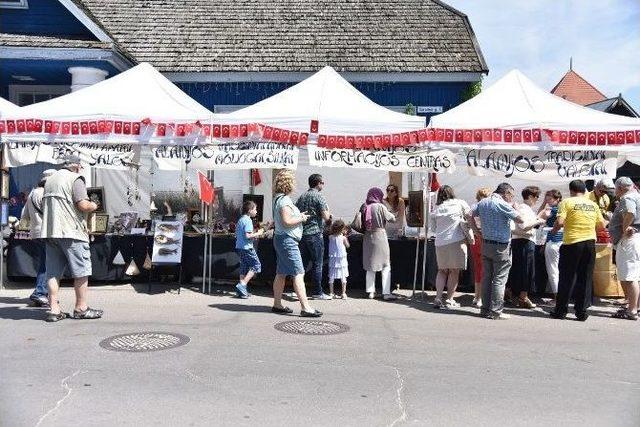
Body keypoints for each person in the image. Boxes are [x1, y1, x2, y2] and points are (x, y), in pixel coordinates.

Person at [41, 155, 102, 322]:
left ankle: (54, 309)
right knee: (81, 271)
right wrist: (94, 205)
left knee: (53, 273)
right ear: (76, 166)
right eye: (80, 167)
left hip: (51, 232)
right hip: (72, 231)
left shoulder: (50, 180)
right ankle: (81, 308)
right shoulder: (76, 179)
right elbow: (82, 204)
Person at [550, 179, 605, 321]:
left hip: (572, 243)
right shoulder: (593, 205)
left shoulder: (566, 202)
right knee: (585, 278)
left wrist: (555, 229)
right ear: (584, 190)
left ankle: (561, 311)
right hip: (589, 243)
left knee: (567, 277)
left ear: (571, 191)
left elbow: (560, 222)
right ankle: (581, 312)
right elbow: (601, 226)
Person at [272, 169, 322, 317]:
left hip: (281, 239)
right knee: (299, 273)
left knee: (281, 273)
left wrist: (299, 215)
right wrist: (301, 218)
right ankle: (306, 308)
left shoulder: (278, 198)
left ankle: (277, 304)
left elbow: (284, 220)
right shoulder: (285, 200)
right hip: (288, 240)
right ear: (289, 184)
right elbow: (287, 221)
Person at [471, 183, 524, 320]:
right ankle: (495, 311)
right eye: (511, 196)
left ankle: (485, 309)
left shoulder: (483, 202)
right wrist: (516, 208)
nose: (511, 198)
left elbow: (468, 214)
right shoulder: (502, 204)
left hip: (486, 243)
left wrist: (476, 231)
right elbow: (520, 219)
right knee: (499, 280)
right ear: (505, 193)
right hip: (501, 246)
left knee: (487, 278)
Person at [429, 185, 471, 309]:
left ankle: (437, 298)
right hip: (456, 240)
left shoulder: (437, 209)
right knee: (454, 271)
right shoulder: (460, 203)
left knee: (442, 271)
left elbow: (433, 229)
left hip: (440, 242)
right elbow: (470, 216)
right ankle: (449, 299)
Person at [21, 169, 57, 307]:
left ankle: (43, 294)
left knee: (44, 263)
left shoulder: (32, 194)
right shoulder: (46, 193)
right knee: (48, 265)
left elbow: (24, 215)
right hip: (46, 232)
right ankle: (40, 292)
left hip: (35, 232)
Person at [296, 173, 332, 300]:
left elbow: (296, 214)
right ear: (318, 183)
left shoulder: (302, 197)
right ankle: (317, 292)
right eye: (322, 182)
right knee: (317, 264)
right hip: (315, 233)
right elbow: (326, 217)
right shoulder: (319, 196)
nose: (323, 184)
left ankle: (297, 290)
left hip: (302, 234)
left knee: (302, 264)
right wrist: (330, 217)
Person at [508, 186, 545, 309]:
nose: (537, 199)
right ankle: (523, 297)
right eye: (536, 197)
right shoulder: (524, 209)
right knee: (526, 270)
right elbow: (524, 226)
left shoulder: (525, 208)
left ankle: (512, 294)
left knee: (518, 269)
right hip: (524, 241)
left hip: (520, 241)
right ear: (530, 196)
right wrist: (538, 221)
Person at [608, 177, 640, 320]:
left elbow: (631, 213)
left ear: (620, 188)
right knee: (634, 276)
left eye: (615, 188)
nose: (615, 191)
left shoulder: (628, 198)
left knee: (630, 276)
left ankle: (632, 310)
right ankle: (635, 307)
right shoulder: (637, 195)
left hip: (629, 240)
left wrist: (625, 228)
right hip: (634, 239)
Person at [359, 187, 397, 300]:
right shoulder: (381, 207)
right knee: (385, 265)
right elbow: (392, 218)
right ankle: (386, 293)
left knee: (370, 265)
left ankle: (371, 292)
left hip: (367, 237)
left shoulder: (364, 206)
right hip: (380, 236)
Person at [234, 200, 264, 298]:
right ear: (250, 210)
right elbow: (248, 236)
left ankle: (242, 291)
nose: (256, 211)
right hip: (247, 248)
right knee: (256, 265)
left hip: (239, 247)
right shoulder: (248, 220)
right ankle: (242, 285)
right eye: (255, 209)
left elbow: (242, 235)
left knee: (244, 267)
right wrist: (258, 233)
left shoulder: (241, 219)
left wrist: (253, 235)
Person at [538, 189, 563, 300]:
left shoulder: (553, 209)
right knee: (560, 270)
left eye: (550, 199)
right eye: (546, 198)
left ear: (557, 199)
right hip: (562, 242)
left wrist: (544, 204)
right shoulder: (563, 209)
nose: (548, 201)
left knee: (553, 270)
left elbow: (539, 216)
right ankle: (560, 296)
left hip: (554, 242)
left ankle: (557, 297)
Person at [469, 187, 491, 307]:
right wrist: (478, 231)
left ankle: (477, 296)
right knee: (484, 269)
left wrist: (476, 231)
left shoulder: (474, 206)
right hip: (484, 239)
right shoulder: (486, 207)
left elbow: (468, 218)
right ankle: (480, 297)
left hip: (477, 239)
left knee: (479, 269)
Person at [327, 219, 350, 299]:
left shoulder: (330, 237)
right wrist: (346, 236)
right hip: (342, 260)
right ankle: (343, 293)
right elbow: (347, 246)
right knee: (343, 276)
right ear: (342, 229)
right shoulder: (343, 238)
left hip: (333, 260)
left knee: (331, 276)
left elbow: (330, 231)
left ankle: (331, 292)